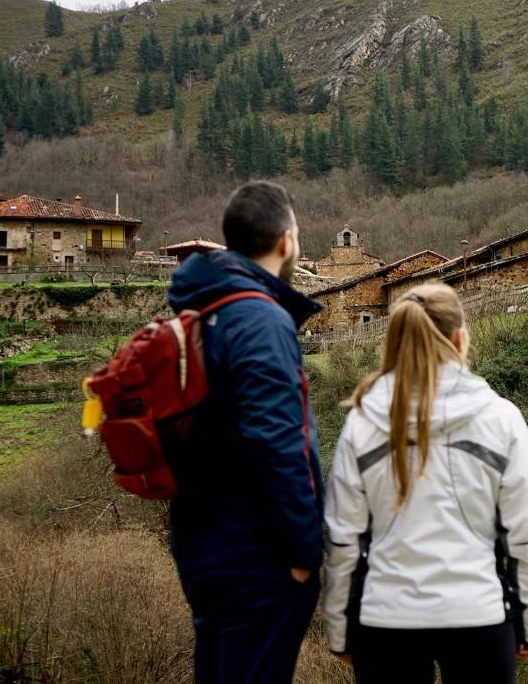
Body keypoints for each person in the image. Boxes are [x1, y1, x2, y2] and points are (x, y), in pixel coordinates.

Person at [322, 282, 528, 683]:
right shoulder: (502, 419)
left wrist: (341, 631)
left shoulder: (362, 422)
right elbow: (526, 536)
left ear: (392, 344)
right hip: (479, 616)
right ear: (461, 338)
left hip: (385, 621)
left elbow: (343, 540)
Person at [166, 181, 324, 683]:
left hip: (203, 544)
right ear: (286, 241)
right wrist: (303, 555)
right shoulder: (258, 319)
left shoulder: (202, 311)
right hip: (256, 555)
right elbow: (277, 441)